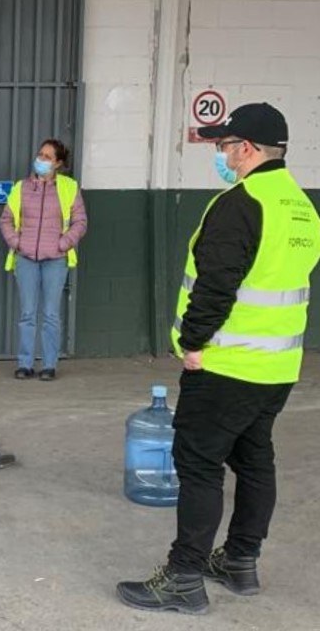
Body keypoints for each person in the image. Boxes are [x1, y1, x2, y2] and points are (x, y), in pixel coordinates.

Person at [117, 103, 320, 616]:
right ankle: (240, 561)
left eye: (226, 147)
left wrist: (193, 343)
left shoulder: (241, 203)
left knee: (199, 464)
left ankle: (184, 577)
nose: (223, 155)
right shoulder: (300, 207)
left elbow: (216, 285)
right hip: (277, 368)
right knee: (255, 460)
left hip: (227, 364)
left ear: (247, 148)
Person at [0, 138, 87, 381]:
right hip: (25, 258)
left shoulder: (69, 187)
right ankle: (25, 363)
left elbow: (80, 222)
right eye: (40, 155)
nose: (41, 160)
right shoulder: (21, 187)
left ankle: (49, 365)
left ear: (58, 163)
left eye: (47, 157)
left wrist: (62, 244)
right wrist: (17, 243)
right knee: (27, 313)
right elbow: (6, 220)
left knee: (50, 314)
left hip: (55, 259)